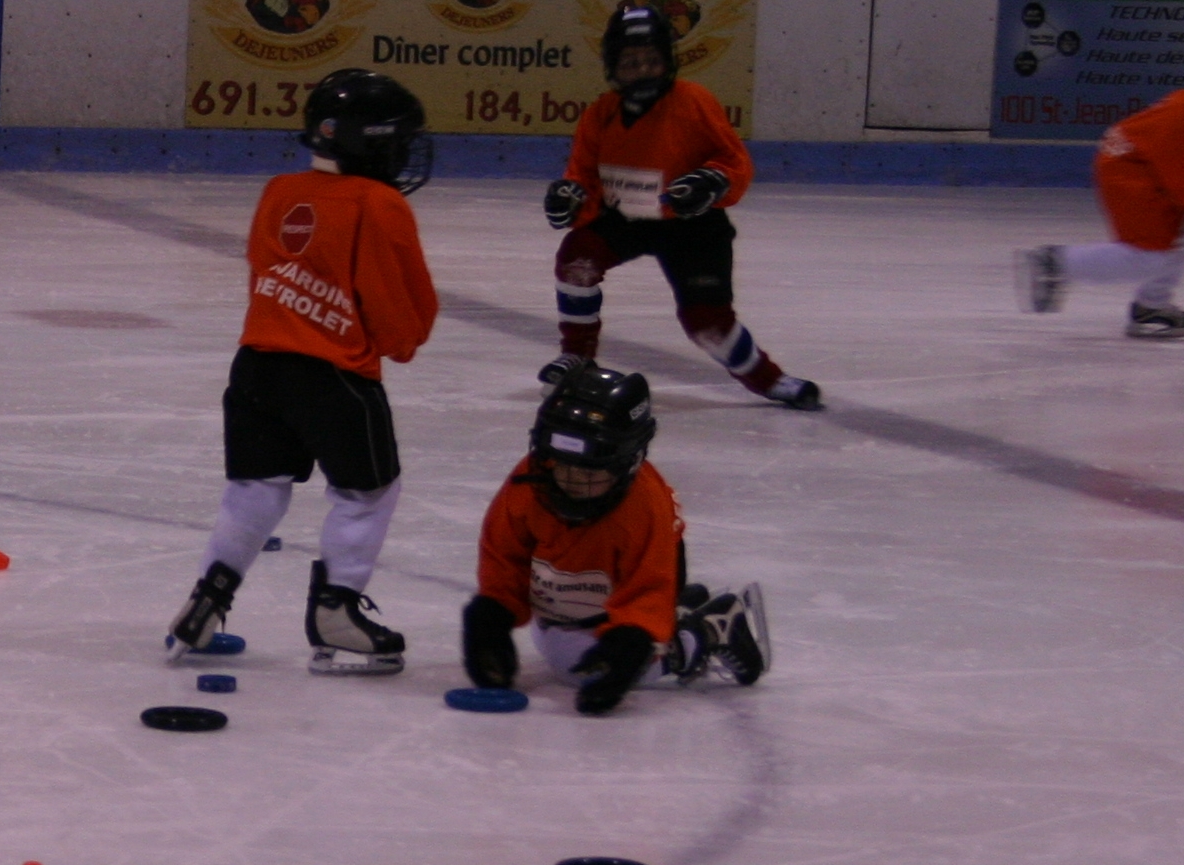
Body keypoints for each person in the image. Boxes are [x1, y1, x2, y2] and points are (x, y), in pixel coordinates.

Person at [162, 68, 439, 677]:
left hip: (256, 367)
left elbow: (266, 269)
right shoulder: (379, 203)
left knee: (255, 488)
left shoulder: (278, 190)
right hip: (335, 378)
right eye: (394, 140)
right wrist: (401, 337)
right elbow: (399, 318)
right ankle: (336, 612)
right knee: (368, 492)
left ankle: (208, 596)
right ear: (370, 141)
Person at [543, 3, 819, 410]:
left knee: (707, 324)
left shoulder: (694, 102)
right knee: (576, 261)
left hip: (694, 226)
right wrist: (570, 201)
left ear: (669, 62)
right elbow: (583, 178)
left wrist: (713, 182)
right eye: (631, 62)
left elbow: (735, 163)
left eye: (652, 60)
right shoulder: (600, 115)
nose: (642, 70)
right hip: (628, 219)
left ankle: (768, 380)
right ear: (612, 67)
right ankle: (578, 358)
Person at [461, 361, 768, 715]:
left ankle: (711, 629)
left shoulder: (643, 510)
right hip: (574, 581)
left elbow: (647, 587)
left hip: (630, 572)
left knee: (578, 665)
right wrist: (493, 617)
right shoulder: (527, 486)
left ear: (626, 462)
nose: (571, 478)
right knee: (557, 645)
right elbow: (504, 556)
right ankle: (680, 607)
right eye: (561, 463)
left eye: (589, 469)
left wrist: (631, 642)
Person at [1017, 37, 1184, 339]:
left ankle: (1151, 306)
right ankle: (1057, 263)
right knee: (1146, 257)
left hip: (1132, 163)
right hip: (1131, 172)